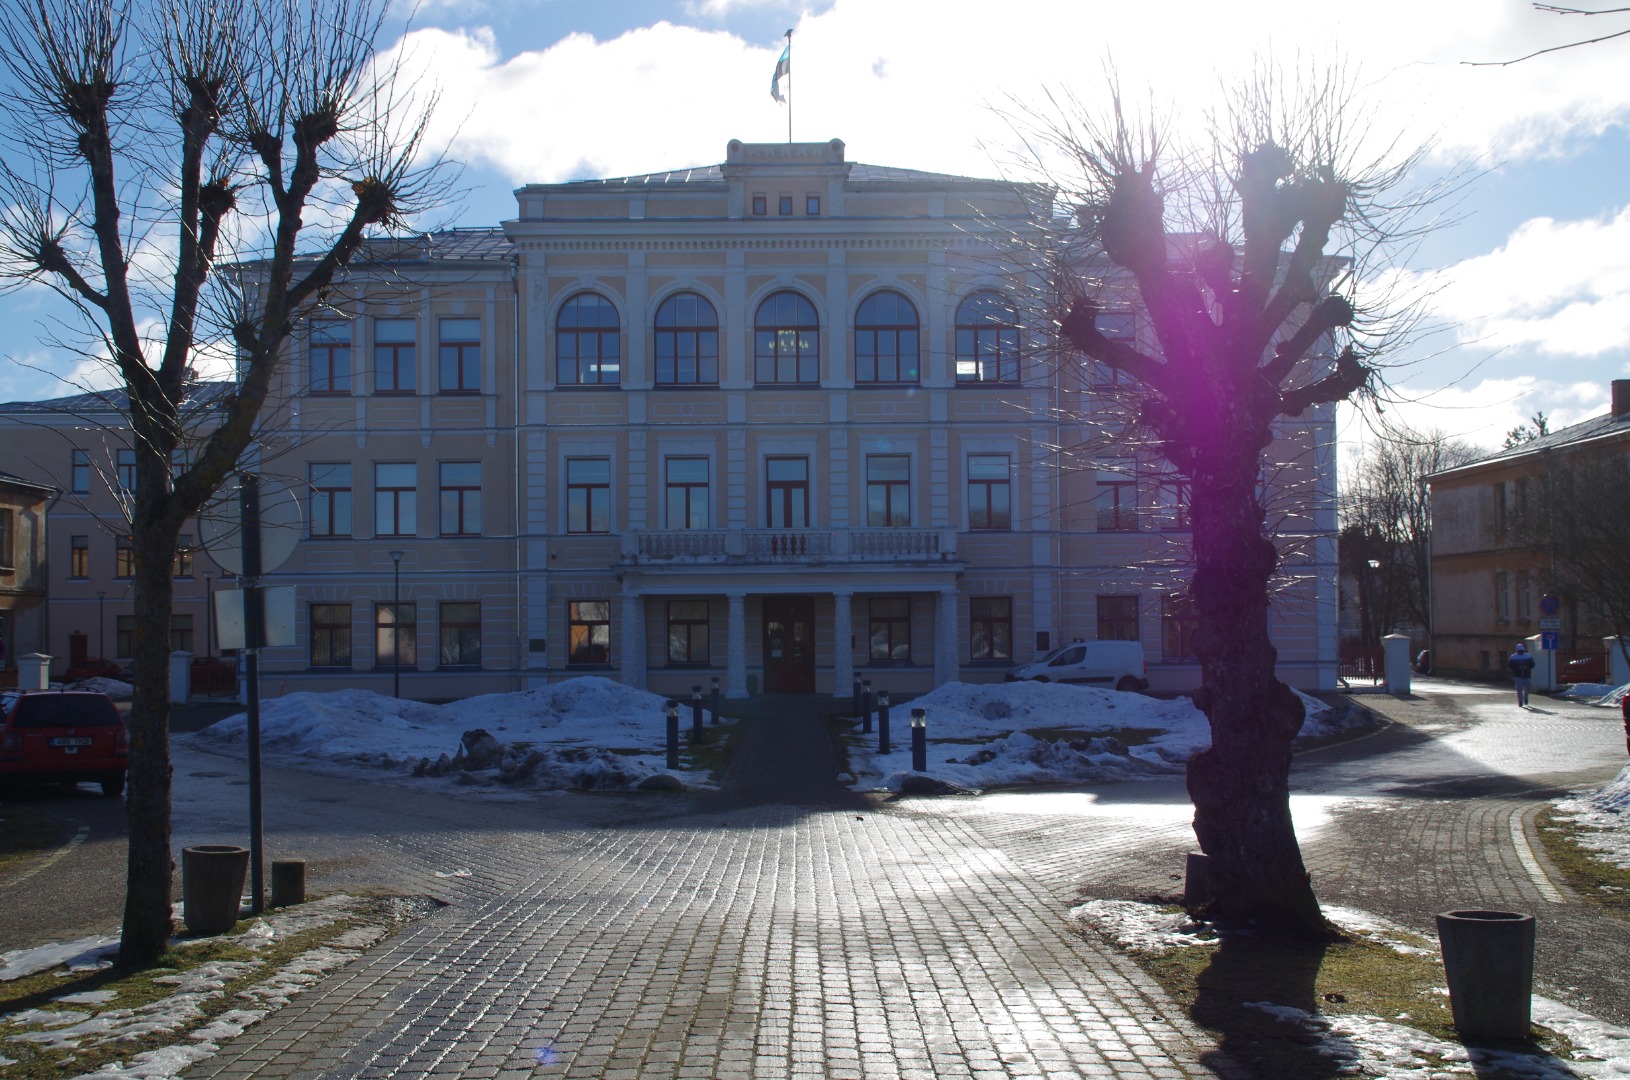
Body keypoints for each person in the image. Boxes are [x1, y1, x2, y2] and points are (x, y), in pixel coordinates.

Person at [1509, 643, 1536, 707]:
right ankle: (1520, 702)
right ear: (1517, 651)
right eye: (1519, 651)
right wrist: (1517, 668)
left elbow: (1532, 664)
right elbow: (1510, 665)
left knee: (1528, 687)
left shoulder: (1528, 656)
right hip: (1517, 675)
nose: (1520, 652)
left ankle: (1525, 696)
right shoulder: (1513, 657)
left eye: (1521, 651)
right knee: (1519, 689)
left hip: (1527, 675)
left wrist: (1526, 667)